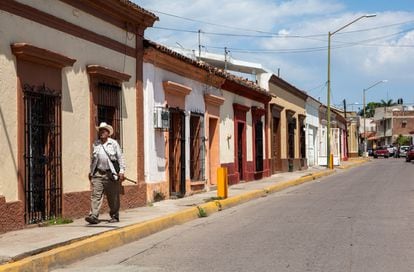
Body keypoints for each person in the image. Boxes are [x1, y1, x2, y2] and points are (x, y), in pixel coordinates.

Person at [85, 122, 125, 224]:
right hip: (98, 173)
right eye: (100, 131)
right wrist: (91, 171)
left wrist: (121, 171)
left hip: (110, 174)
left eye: (104, 131)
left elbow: (120, 158)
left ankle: (115, 215)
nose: (102, 132)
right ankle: (94, 215)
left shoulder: (113, 144)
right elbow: (93, 159)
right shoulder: (96, 144)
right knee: (96, 195)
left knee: (113, 197)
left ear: (108, 133)